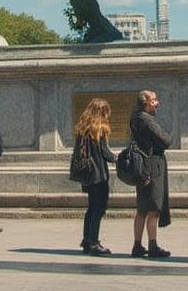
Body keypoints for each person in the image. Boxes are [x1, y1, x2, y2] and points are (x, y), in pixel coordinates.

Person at [129, 89, 172, 259]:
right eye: (154, 100)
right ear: (146, 102)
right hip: (153, 166)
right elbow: (166, 140)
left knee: (141, 209)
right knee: (153, 208)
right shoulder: (147, 120)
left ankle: (137, 244)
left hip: (142, 166)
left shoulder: (134, 118)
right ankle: (153, 244)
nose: (157, 103)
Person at [73, 97, 115, 256]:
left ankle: (86, 239)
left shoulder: (82, 129)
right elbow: (105, 152)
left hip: (87, 174)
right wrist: (117, 159)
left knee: (91, 208)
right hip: (99, 175)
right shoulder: (100, 129)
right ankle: (94, 242)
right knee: (99, 208)